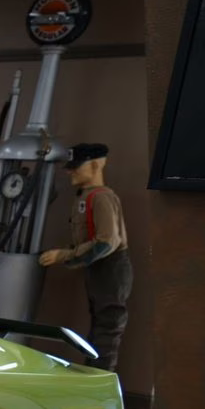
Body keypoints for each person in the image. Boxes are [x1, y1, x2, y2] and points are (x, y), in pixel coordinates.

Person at [39, 142, 131, 372]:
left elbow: (107, 242)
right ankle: (91, 373)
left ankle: (98, 380)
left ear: (96, 165)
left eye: (77, 166)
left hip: (110, 267)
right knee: (99, 324)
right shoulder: (86, 197)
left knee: (107, 328)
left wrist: (65, 256)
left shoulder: (101, 198)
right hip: (97, 268)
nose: (71, 171)